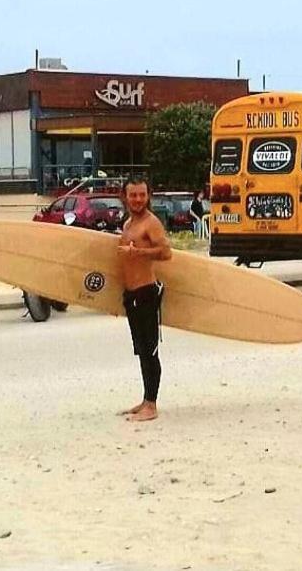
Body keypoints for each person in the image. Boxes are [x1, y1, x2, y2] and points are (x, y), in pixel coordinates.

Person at [117, 178, 173, 422]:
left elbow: (166, 252)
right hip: (131, 294)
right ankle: (145, 400)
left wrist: (138, 252)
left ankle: (152, 404)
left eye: (142, 195)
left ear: (148, 196)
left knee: (150, 350)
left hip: (146, 292)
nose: (138, 199)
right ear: (125, 197)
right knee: (141, 350)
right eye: (133, 195)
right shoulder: (128, 223)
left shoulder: (151, 223)